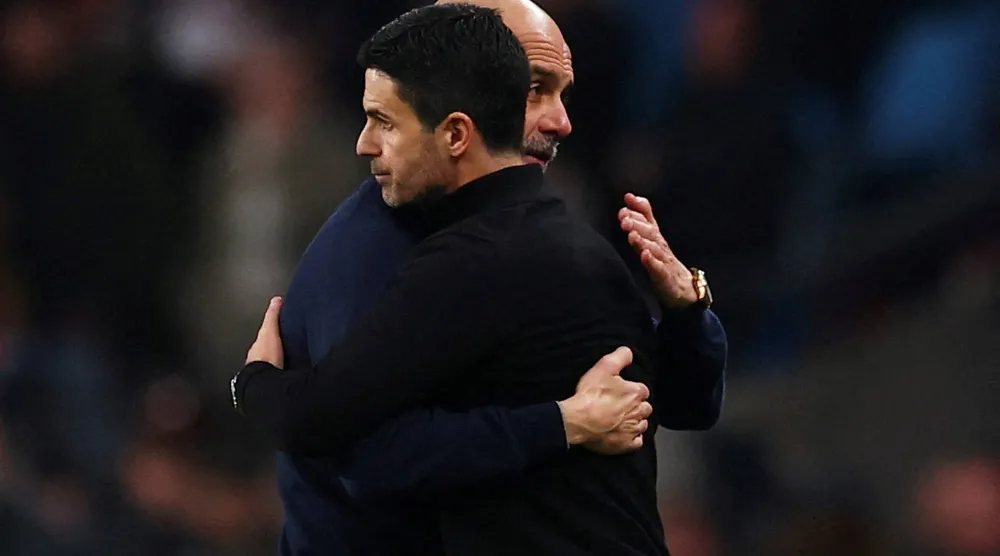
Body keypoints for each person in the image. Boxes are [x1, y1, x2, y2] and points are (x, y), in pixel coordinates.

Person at [233, 4, 723, 555]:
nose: (561, 120)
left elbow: (678, 401)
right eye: (534, 88)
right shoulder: (385, 246)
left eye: (559, 90)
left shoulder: (507, 244)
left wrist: (253, 383)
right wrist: (563, 422)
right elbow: (356, 452)